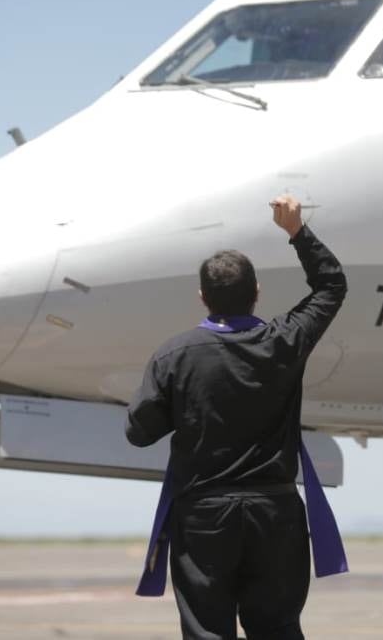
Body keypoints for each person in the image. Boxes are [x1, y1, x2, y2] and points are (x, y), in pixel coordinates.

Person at [124, 194, 348, 640]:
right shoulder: (284, 341)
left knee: (208, 632)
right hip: (275, 514)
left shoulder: (175, 355)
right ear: (256, 294)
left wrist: (184, 403)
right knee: (278, 630)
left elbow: (139, 432)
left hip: (204, 517)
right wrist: (297, 232)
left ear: (203, 297)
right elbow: (331, 287)